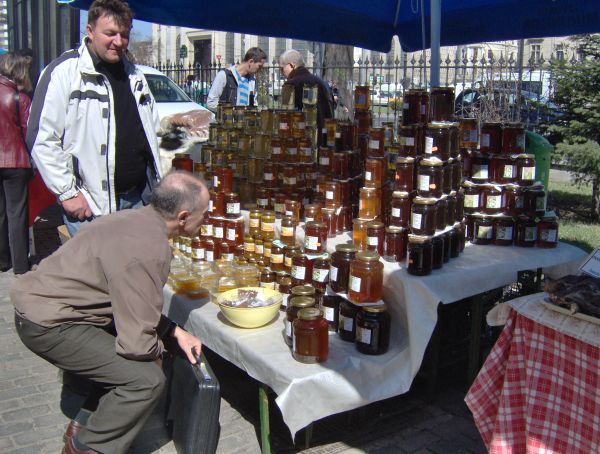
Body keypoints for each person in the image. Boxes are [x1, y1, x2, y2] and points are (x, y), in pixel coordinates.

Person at [12, 171, 208, 454]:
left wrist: (174, 331)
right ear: (183, 216)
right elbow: (137, 341)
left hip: (45, 307)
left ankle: (82, 425)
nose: (208, 217)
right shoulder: (149, 248)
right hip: (47, 322)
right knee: (145, 380)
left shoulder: (129, 219)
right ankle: (88, 448)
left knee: (126, 359)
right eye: (204, 212)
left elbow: (130, 303)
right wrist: (159, 351)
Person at [26, 0, 163, 237]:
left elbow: (151, 132)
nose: (118, 42)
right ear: (90, 31)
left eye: (124, 34)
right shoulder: (64, 72)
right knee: (96, 274)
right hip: (91, 207)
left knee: (132, 271)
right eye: (110, 33)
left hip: (137, 200)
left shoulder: (135, 75)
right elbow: (41, 139)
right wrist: (68, 193)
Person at [0, 51, 33, 275]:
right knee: (17, 213)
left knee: (0, 213)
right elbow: (29, 132)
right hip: (16, 161)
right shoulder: (20, 98)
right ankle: (20, 265)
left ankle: (2, 260)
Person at [279, 49, 334, 140]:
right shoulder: (322, 83)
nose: (281, 72)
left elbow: (287, 115)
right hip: (325, 139)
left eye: (282, 68)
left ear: (292, 65)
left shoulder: (291, 85)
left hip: (303, 142)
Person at [206, 47, 267, 112]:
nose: (260, 70)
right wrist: (230, 112)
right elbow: (211, 103)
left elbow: (253, 105)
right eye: (259, 66)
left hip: (244, 121)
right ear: (251, 62)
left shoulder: (252, 82)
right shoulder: (224, 75)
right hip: (225, 121)